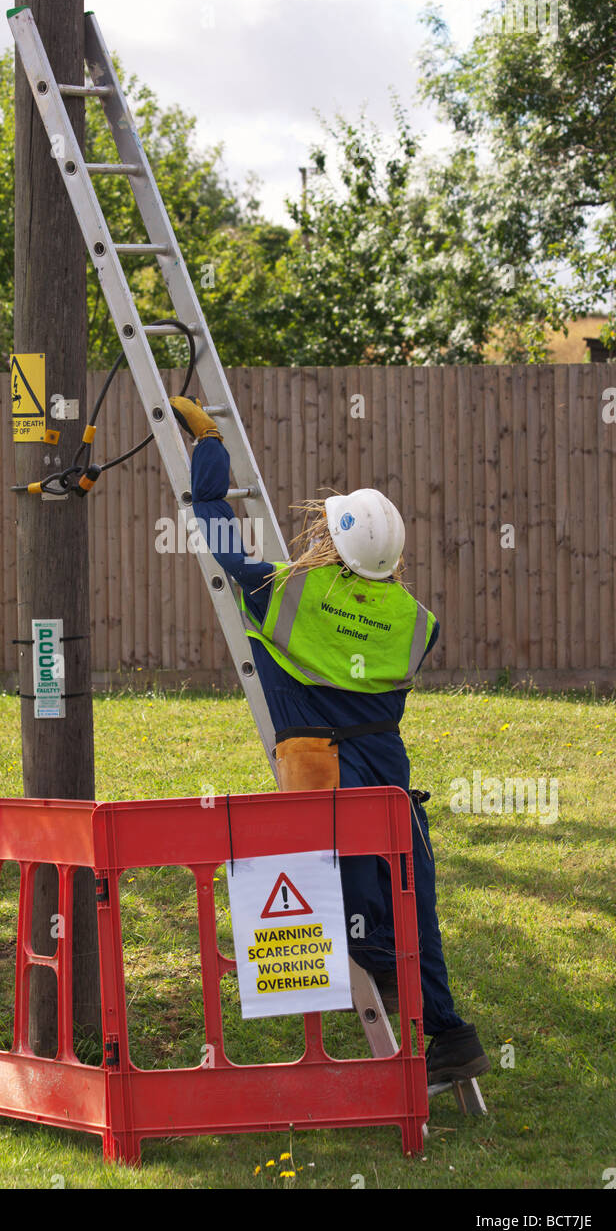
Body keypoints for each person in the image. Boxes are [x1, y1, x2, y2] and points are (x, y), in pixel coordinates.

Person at [171, 393, 490, 1085]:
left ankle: (394, 1023)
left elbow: (218, 531)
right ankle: (447, 1032)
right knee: (414, 906)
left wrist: (208, 448)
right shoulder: (417, 620)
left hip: (323, 777)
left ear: (331, 542)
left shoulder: (288, 594)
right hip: (390, 777)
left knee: (350, 914)